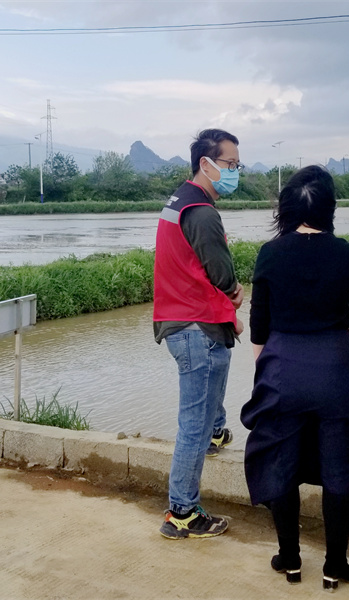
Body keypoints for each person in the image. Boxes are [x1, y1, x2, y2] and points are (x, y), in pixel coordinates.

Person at [241, 165, 349, 589]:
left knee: (280, 461)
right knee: (338, 465)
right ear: (330, 210)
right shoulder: (348, 252)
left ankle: (290, 559)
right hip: (335, 367)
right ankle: (334, 566)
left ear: (285, 208)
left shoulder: (270, 253)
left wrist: (266, 365)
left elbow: (259, 323)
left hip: (282, 365)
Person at [153, 128, 245, 539]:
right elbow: (221, 272)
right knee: (192, 424)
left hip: (182, 320)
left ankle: (216, 430)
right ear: (206, 163)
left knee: (203, 416)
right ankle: (183, 513)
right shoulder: (203, 211)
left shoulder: (179, 199)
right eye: (230, 165)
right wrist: (234, 292)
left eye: (237, 165)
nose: (234, 172)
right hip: (197, 326)